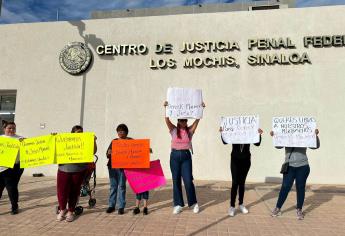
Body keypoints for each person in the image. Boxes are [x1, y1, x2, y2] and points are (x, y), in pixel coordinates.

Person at [164, 101, 205, 214]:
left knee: (188, 181)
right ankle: (178, 204)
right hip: (175, 157)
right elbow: (167, 120)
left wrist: (201, 108)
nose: (184, 122)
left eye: (185, 120)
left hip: (186, 157)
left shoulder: (190, 131)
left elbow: (197, 120)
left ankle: (193, 203)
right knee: (176, 180)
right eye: (182, 120)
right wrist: (166, 107)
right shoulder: (173, 130)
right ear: (178, 121)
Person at [270, 129, 320, 220]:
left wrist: (315, 136)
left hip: (303, 166)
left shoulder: (304, 135)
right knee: (285, 187)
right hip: (289, 166)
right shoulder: (287, 136)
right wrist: (275, 136)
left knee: (300, 188)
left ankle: (299, 209)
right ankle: (278, 208)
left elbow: (315, 146)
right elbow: (278, 146)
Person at [56, 125, 97, 222]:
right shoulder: (65, 140)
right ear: (72, 133)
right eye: (78, 132)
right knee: (61, 191)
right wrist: (53, 138)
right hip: (63, 169)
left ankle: (71, 211)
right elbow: (54, 148)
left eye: (81, 132)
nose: (80, 134)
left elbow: (93, 151)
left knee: (74, 191)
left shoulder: (85, 140)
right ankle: (62, 209)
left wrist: (93, 141)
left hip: (79, 169)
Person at [220, 127, 263, 217]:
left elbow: (257, 144)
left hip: (246, 160)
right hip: (235, 160)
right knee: (235, 183)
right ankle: (232, 206)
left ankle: (241, 204)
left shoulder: (249, 134)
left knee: (242, 183)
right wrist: (222, 133)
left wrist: (259, 134)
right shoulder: (235, 134)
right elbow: (225, 142)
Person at [106, 124, 132, 215]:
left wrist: (146, 150)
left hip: (123, 168)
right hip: (112, 167)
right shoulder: (114, 141)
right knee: (113, 187)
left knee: (121, 186)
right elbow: (107, 154)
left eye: (122, 131)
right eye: (119, 131)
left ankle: (121, 206)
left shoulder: (130, 141)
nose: (120, 133)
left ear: (126, 132)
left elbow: (138, 150)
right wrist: (109, 153)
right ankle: (111, 206)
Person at [0, 121, 24, 214]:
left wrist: (52, 137)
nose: (11, 130)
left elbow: (33, 145)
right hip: (1, 168)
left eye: (13, 128)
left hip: (13, 168)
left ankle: (14, 207)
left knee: (11, 188)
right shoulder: (0, 138)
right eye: (9, 128)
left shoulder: (20, 139)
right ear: (4, 129)